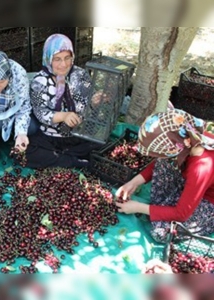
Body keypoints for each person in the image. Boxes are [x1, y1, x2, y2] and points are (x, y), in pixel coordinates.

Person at [115, 109, 214, 242]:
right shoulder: (189, 138)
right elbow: (161, 161)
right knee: (165, 162)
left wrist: (138, 207)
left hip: (209, 202)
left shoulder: (201, 168)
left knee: (161, 232)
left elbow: (181, 214)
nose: (158, 157)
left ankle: (164, 209)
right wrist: (133, 183)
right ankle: (163, 208)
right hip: (196, 185)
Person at [25, 33, 102, 169]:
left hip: (77, 135)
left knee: (100, 145)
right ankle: (73, 160)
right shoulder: (39, 81)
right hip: (50, 137)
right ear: (48, 58)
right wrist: (63, 116)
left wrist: (94, 102)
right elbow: (40, 113)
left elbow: (86, 105)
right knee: (26, 152)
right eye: (57, 59)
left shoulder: (80, 75)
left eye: (68, 58)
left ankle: (64, 157)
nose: (64, 64)